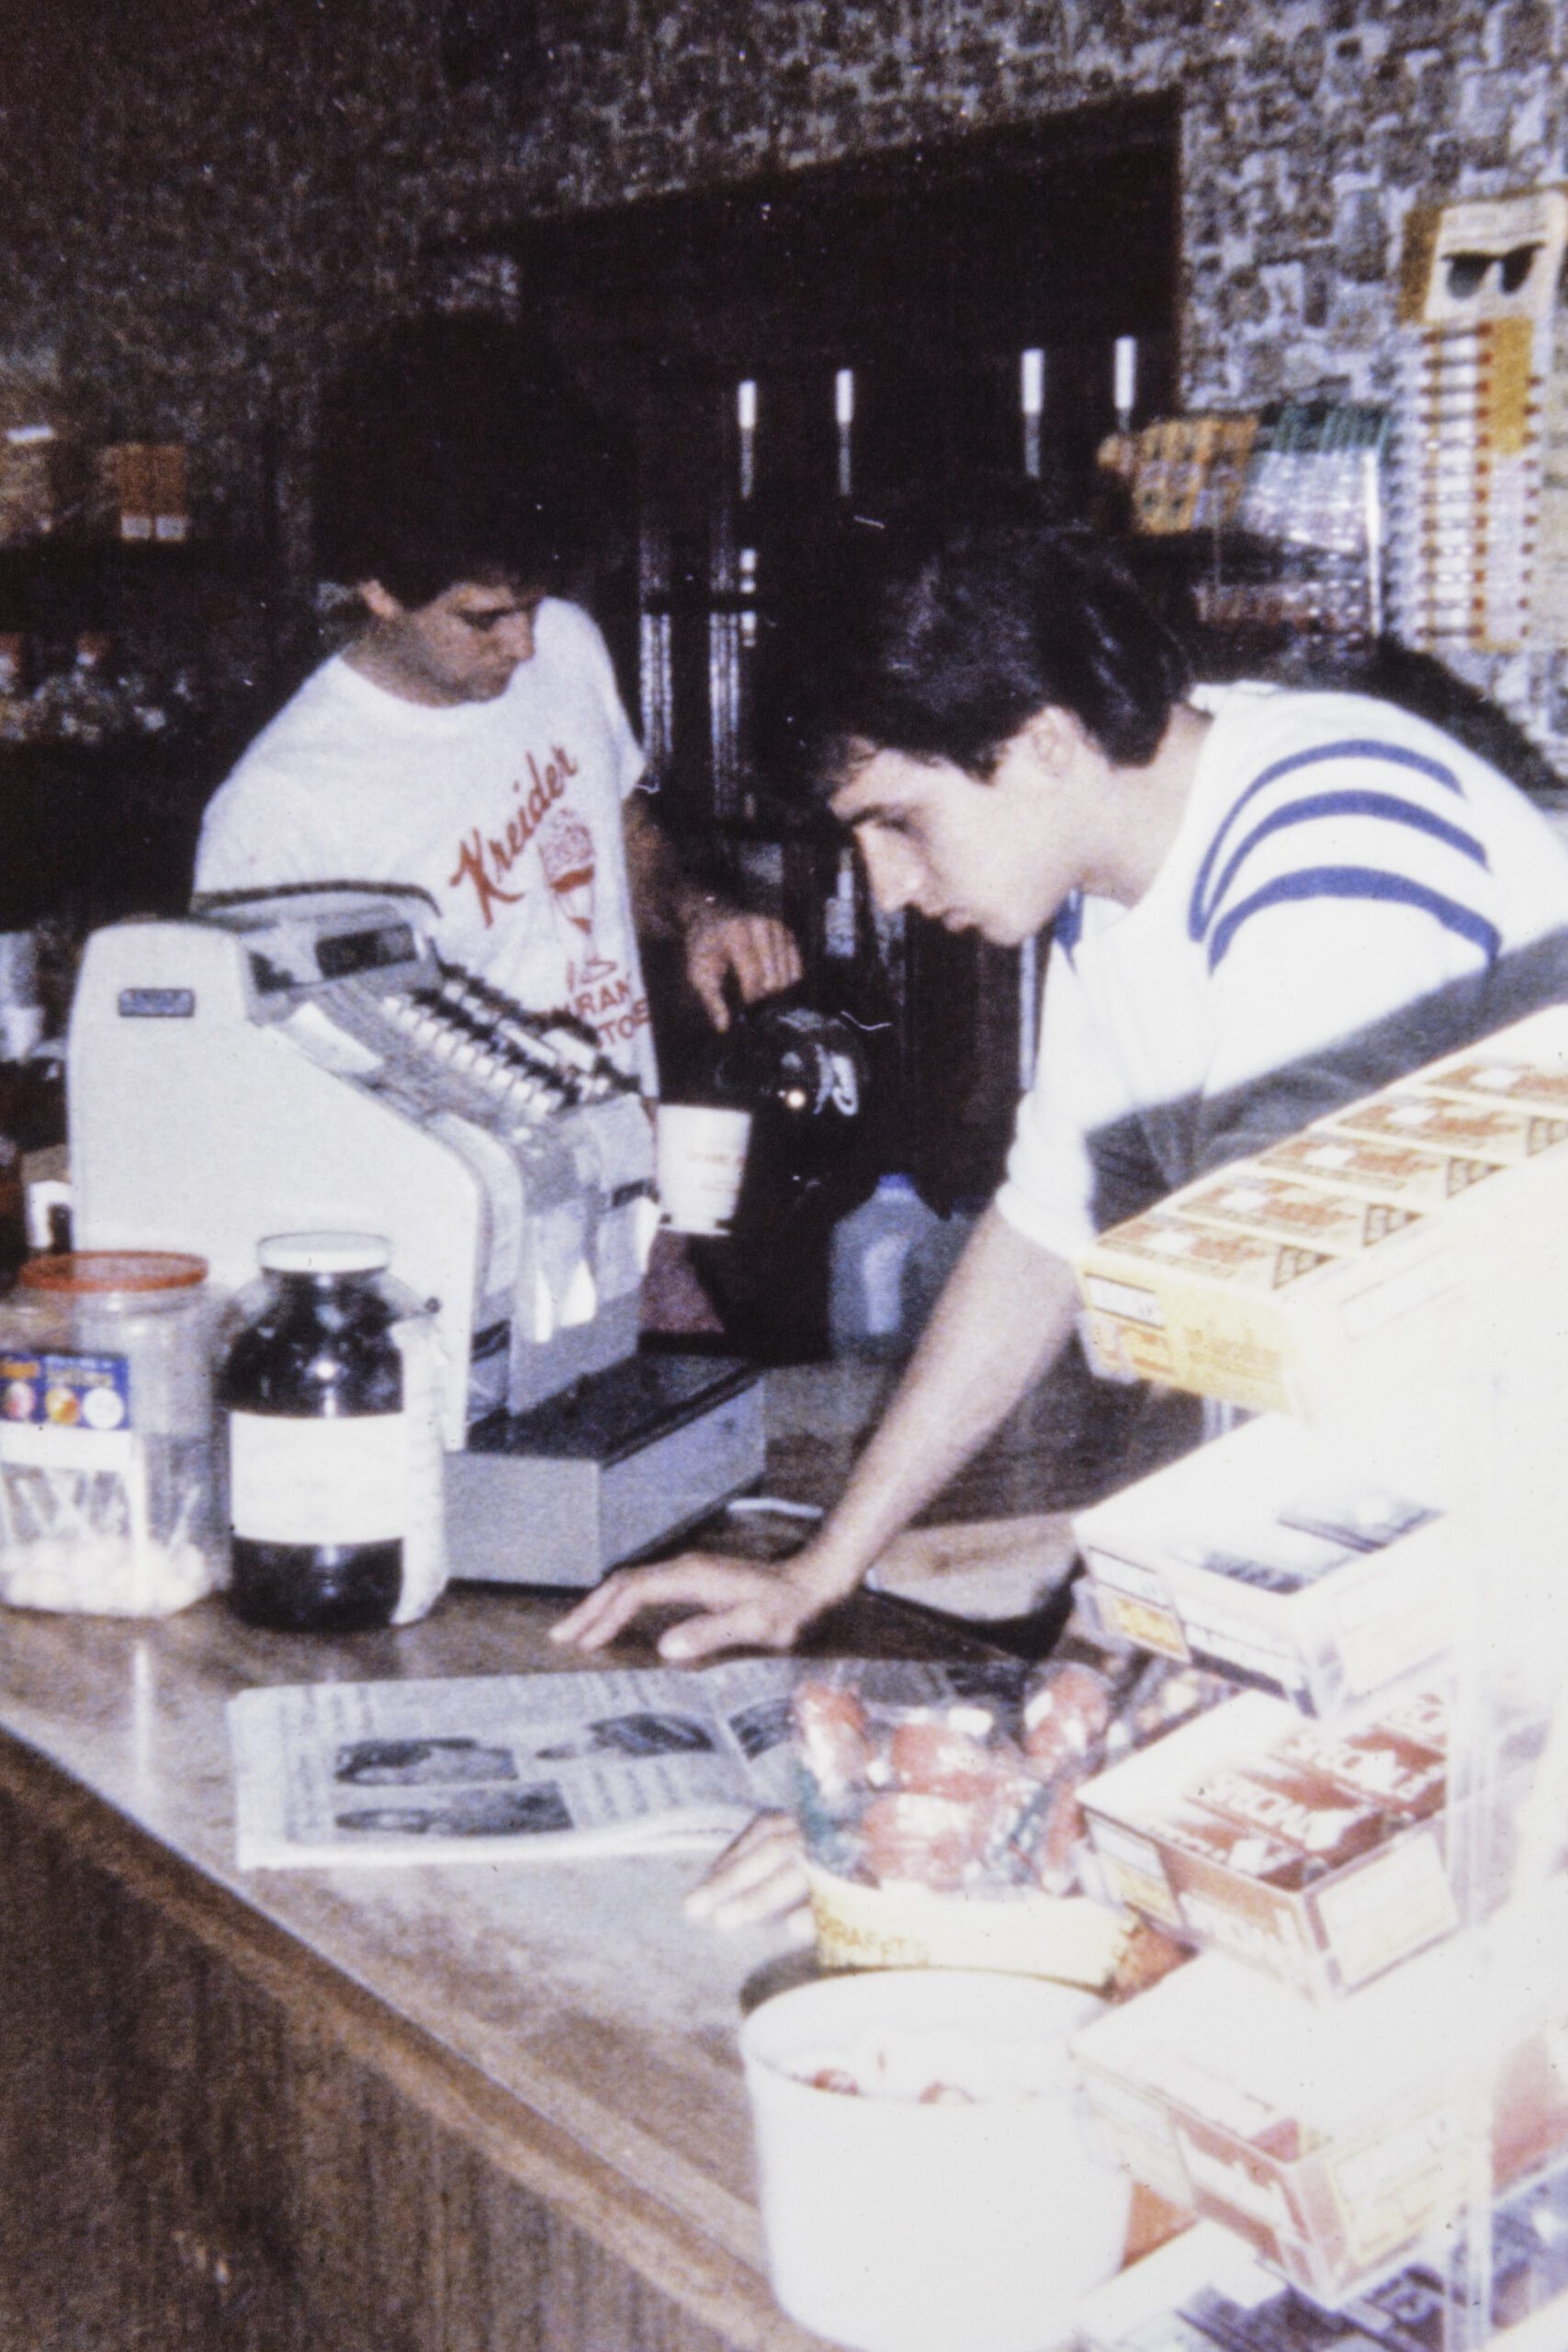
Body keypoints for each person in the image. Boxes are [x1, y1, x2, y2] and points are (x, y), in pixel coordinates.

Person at [554, 507, 1568, 1663]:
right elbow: (1044, 1234)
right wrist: (817, 1571)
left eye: (899, 820)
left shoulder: (1331, 864)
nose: (883, 887)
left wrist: (1089, 1694)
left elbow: (1286, 1361)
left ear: (1042, 744)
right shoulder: (1138, 850)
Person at [194, 322, 799, 1084]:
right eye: (484, 618)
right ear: (378, 587)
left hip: (619, 1162)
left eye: (534, 603)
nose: (523, 645)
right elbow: (268, 1083)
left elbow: (623, 834)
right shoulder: (278, 811)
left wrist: (698, 913)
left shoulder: (568, 644)